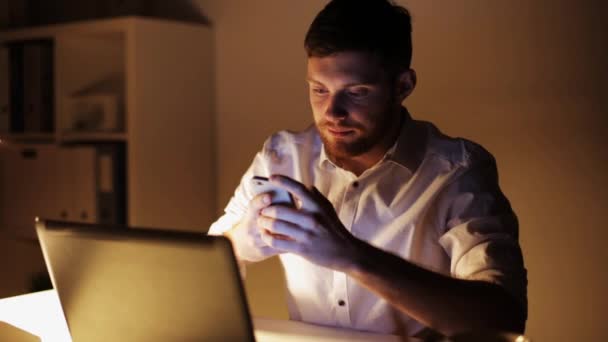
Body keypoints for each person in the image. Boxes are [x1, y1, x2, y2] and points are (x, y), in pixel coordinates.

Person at [208, 0, 527, 337]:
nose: (333, 112)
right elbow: (199, 272)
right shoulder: (280, 157)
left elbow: (503, 318)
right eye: (319, 90)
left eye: (357, 92)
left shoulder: (457, 172)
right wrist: (241, 242)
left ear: (403, 86)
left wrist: (351, 256)